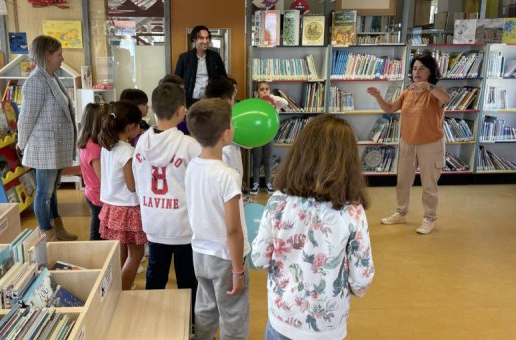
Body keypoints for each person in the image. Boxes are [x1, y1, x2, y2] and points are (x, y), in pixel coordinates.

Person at [251, 114, 374, 340]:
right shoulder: (352, 211)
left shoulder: (278, 201)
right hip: (327, 326)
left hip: (282, 318)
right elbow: (361, 278)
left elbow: (258, 259)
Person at [185, 98, 250, 340]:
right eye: (232, 124)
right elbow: (233, 231)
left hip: (200, 252)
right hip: (226, 258)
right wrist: (238, 270)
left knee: (205, 307)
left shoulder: (192, 166)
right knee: (233, 313)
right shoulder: (228, 176)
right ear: (225, 134)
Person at [132, 83, 199, 311]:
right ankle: (190, 325)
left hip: (154, 222)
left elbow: (138, 180)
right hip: (183, 227)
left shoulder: (141, 142)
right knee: (188, 280)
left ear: (152, 109)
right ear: (182, 111)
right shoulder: (189, 145)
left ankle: (152, 321)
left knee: (155, 275)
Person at [367, 53, 450, 234]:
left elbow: (445, 98)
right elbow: (390, 108)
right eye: (414, 68)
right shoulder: (408, 91)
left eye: (422, 68)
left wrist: (428, 86)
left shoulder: (435, 92)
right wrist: (378, 96)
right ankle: (400, 212)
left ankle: (429, 218)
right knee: (402, 181)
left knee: (429, 184)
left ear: (431, 72)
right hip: (408, 143)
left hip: (431, 144)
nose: (416, 72)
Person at [17, 35, 77, 242]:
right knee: (44, 193)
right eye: (59, 55)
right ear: (46, 55)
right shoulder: (35, 81)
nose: (62, 59)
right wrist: (21, 144)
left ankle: (57, 229)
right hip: (44, 148)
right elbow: (26, 118)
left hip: (53, 147)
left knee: (51, 192)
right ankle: (47, 234)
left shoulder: (51, 77)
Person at [97, 101, 145, 290]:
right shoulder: (128, 152)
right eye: (138, 125)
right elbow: (132, 186)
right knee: (136, 255)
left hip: (111, 207)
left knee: (120, 253)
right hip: (128, 208)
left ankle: (115, 287)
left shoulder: (107, 147)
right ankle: (121, 292)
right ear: (130, 127)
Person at [174, 25, 227, 133]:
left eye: (207, 38)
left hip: (210, 101)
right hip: (191, 102)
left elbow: (223, 78)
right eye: (201, 38)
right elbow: (176, 81)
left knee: (210, 130)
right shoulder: (185, 58)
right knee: (193, 130)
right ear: (194, 39)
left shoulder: (215, 57)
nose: (205, 41)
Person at [250, 81, 288, 195]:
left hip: (269, 136)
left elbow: (285, 103)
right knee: (256, 161)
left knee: (267, 161)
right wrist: (260, 99)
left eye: (267, 89)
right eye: (262, 89)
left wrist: (270, 97)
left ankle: (268, 183)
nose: (265, 91)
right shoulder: (255, 103)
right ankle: (255, 184)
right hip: (257, 137)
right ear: (257, 92)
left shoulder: (274, 103)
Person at [77, 103, 107, 241]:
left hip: (91, 192)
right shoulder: (94, 148)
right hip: (98, 195)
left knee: (97, 228)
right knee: (98, 233)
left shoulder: (85, 142)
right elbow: (102, 177)